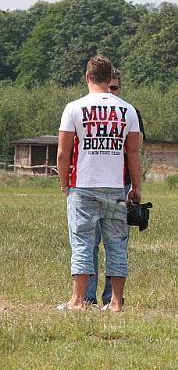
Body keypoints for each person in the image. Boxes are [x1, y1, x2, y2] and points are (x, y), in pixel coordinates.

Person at [57, 56, 141, 312]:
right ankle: (115, 302)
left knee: (82, 241)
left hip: (82, 185)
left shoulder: (74, 108)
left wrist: (64, 183)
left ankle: (78, 300)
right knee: (116, 244)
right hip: (116, 186)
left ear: (87, 77)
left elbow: (63, 152)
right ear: (109, 79)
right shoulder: (128, 110)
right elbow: (133, 153)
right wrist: (136, 187)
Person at [85, 67, 145, 306]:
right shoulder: (86, 109)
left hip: (121, 183)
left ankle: (112, 298)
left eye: (115, 88)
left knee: (116, 243)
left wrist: (135, 187)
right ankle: (87, 297)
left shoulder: (130, 112)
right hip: (90, 184)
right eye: (108, 86)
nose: (111, 91)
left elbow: (134, 152)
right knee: (89, 242)